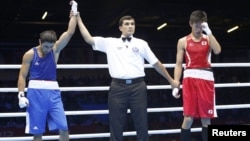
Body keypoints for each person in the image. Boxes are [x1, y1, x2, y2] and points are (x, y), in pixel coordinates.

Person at [76, 10, 179, 141]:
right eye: (127, 24)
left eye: (132, 24)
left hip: (138, 87)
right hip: (117, 88)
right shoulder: (110, 43)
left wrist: (170, 80)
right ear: (120, 27)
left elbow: (156, 63)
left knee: (142, 124)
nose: (130, 26)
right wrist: (78, 18)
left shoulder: (142, 43)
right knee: (116, 125)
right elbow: (88, 39)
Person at [17, 1, 78, 141]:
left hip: (53, 93)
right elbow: (22, 75)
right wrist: (21, 94)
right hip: (35, 93)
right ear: (39, 42)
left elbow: (70, 32)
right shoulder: (29, 54)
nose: (48, 49)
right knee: (38, 132)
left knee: (64, 127)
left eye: (50, 47)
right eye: (45, 47)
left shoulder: (55, 49)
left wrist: (74, 11)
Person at [172, 10, 222, 141]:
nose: (199, 28)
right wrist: (176, 83)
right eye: (196, 25)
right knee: (188, 118)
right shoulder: (182, 41)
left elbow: (217, 50)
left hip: (206, 78)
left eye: (201, 25)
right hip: (189, 79)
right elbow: (178, 64)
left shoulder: (208, 38)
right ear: (190, 24)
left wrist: (209, 31)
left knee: (206, 119)